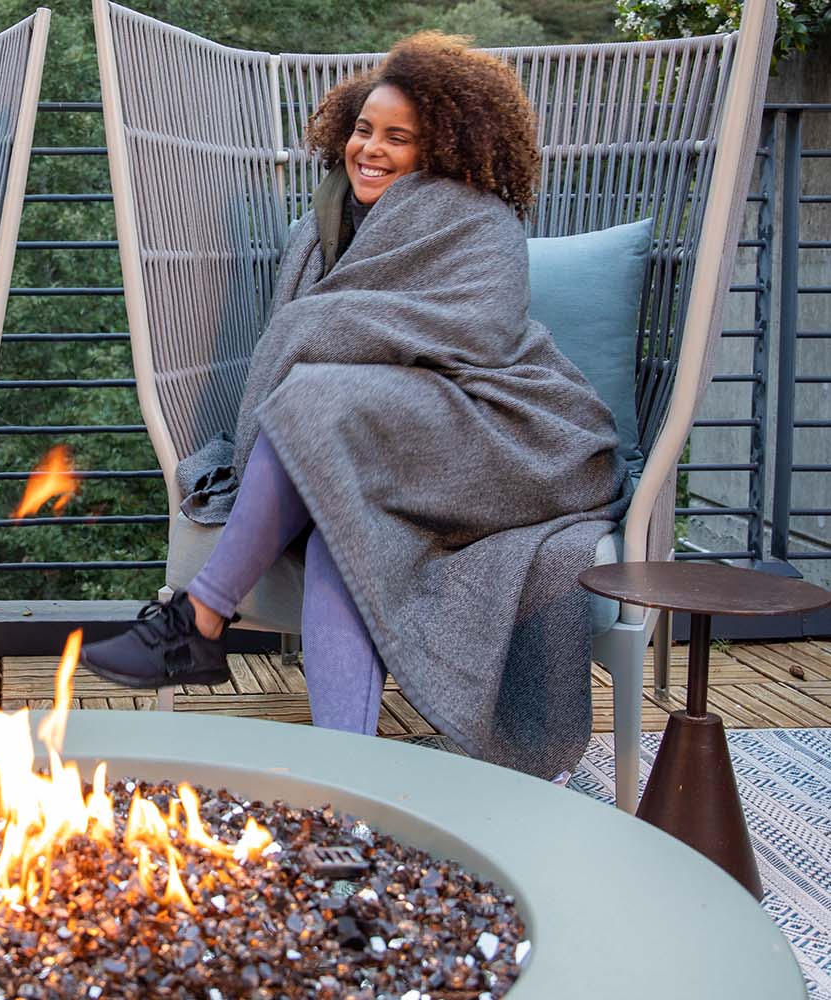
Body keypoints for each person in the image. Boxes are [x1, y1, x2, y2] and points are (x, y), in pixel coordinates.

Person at [79, 33, 627, 780]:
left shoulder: (478, 220)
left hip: (506, 435)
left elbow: (483, 329)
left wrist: (328, 326)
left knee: (313, 397)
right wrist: (332, 339)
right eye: (364, 129)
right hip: (380, 444)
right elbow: (313, 347)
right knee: (343, 519)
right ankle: (349, 781)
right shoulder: (321, 228)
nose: (371, 150)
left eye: (398, 138)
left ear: (443, 148)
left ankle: (203, 614)